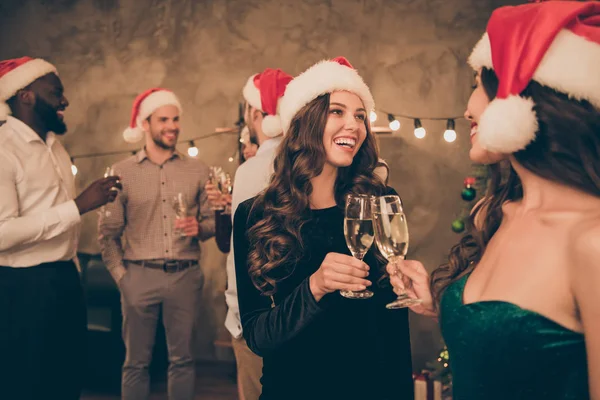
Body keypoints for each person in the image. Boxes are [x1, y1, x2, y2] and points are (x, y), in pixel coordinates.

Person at [391, 3, 600, 399]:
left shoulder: (592, 240)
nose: (468, 107)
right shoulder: (494, 212)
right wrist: (441, 303)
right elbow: (515, 345)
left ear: (520, 99)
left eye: (477, 85)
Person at [233, 57, 414, 400]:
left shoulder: (381, 201)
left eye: (360, 116)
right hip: (293, 388)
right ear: (305, 120)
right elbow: (257, 335)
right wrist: (314, 286)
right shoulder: (256, 214)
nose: (354, 125)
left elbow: (395, 326)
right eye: (338, 112)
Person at [0, 56, 121, 400]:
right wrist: (78, 206)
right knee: (26, 384)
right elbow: (2, 234)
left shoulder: (56, 147)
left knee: (66, 380)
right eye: (55, 92)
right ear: (25, 95)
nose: (64, 100)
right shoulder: (3, 150)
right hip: (23, 289)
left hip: (65, 279)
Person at [98, 88, 215, 400]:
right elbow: (107, 234)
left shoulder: (198, 170)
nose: (172, 126)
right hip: (139, 276)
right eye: (163, 119)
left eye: (175, 119)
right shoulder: (120, 173)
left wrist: (200, 227)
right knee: (135, 363)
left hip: (185, 276)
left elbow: (215, 221)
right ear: (144, 124)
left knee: (184, 360)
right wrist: (124, 279)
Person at [207, 67, 293, 400]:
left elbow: (239, 249)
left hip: (258, 314)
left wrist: (237, 311)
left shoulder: (252, 168)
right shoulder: (305, 161)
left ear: (255, 113)